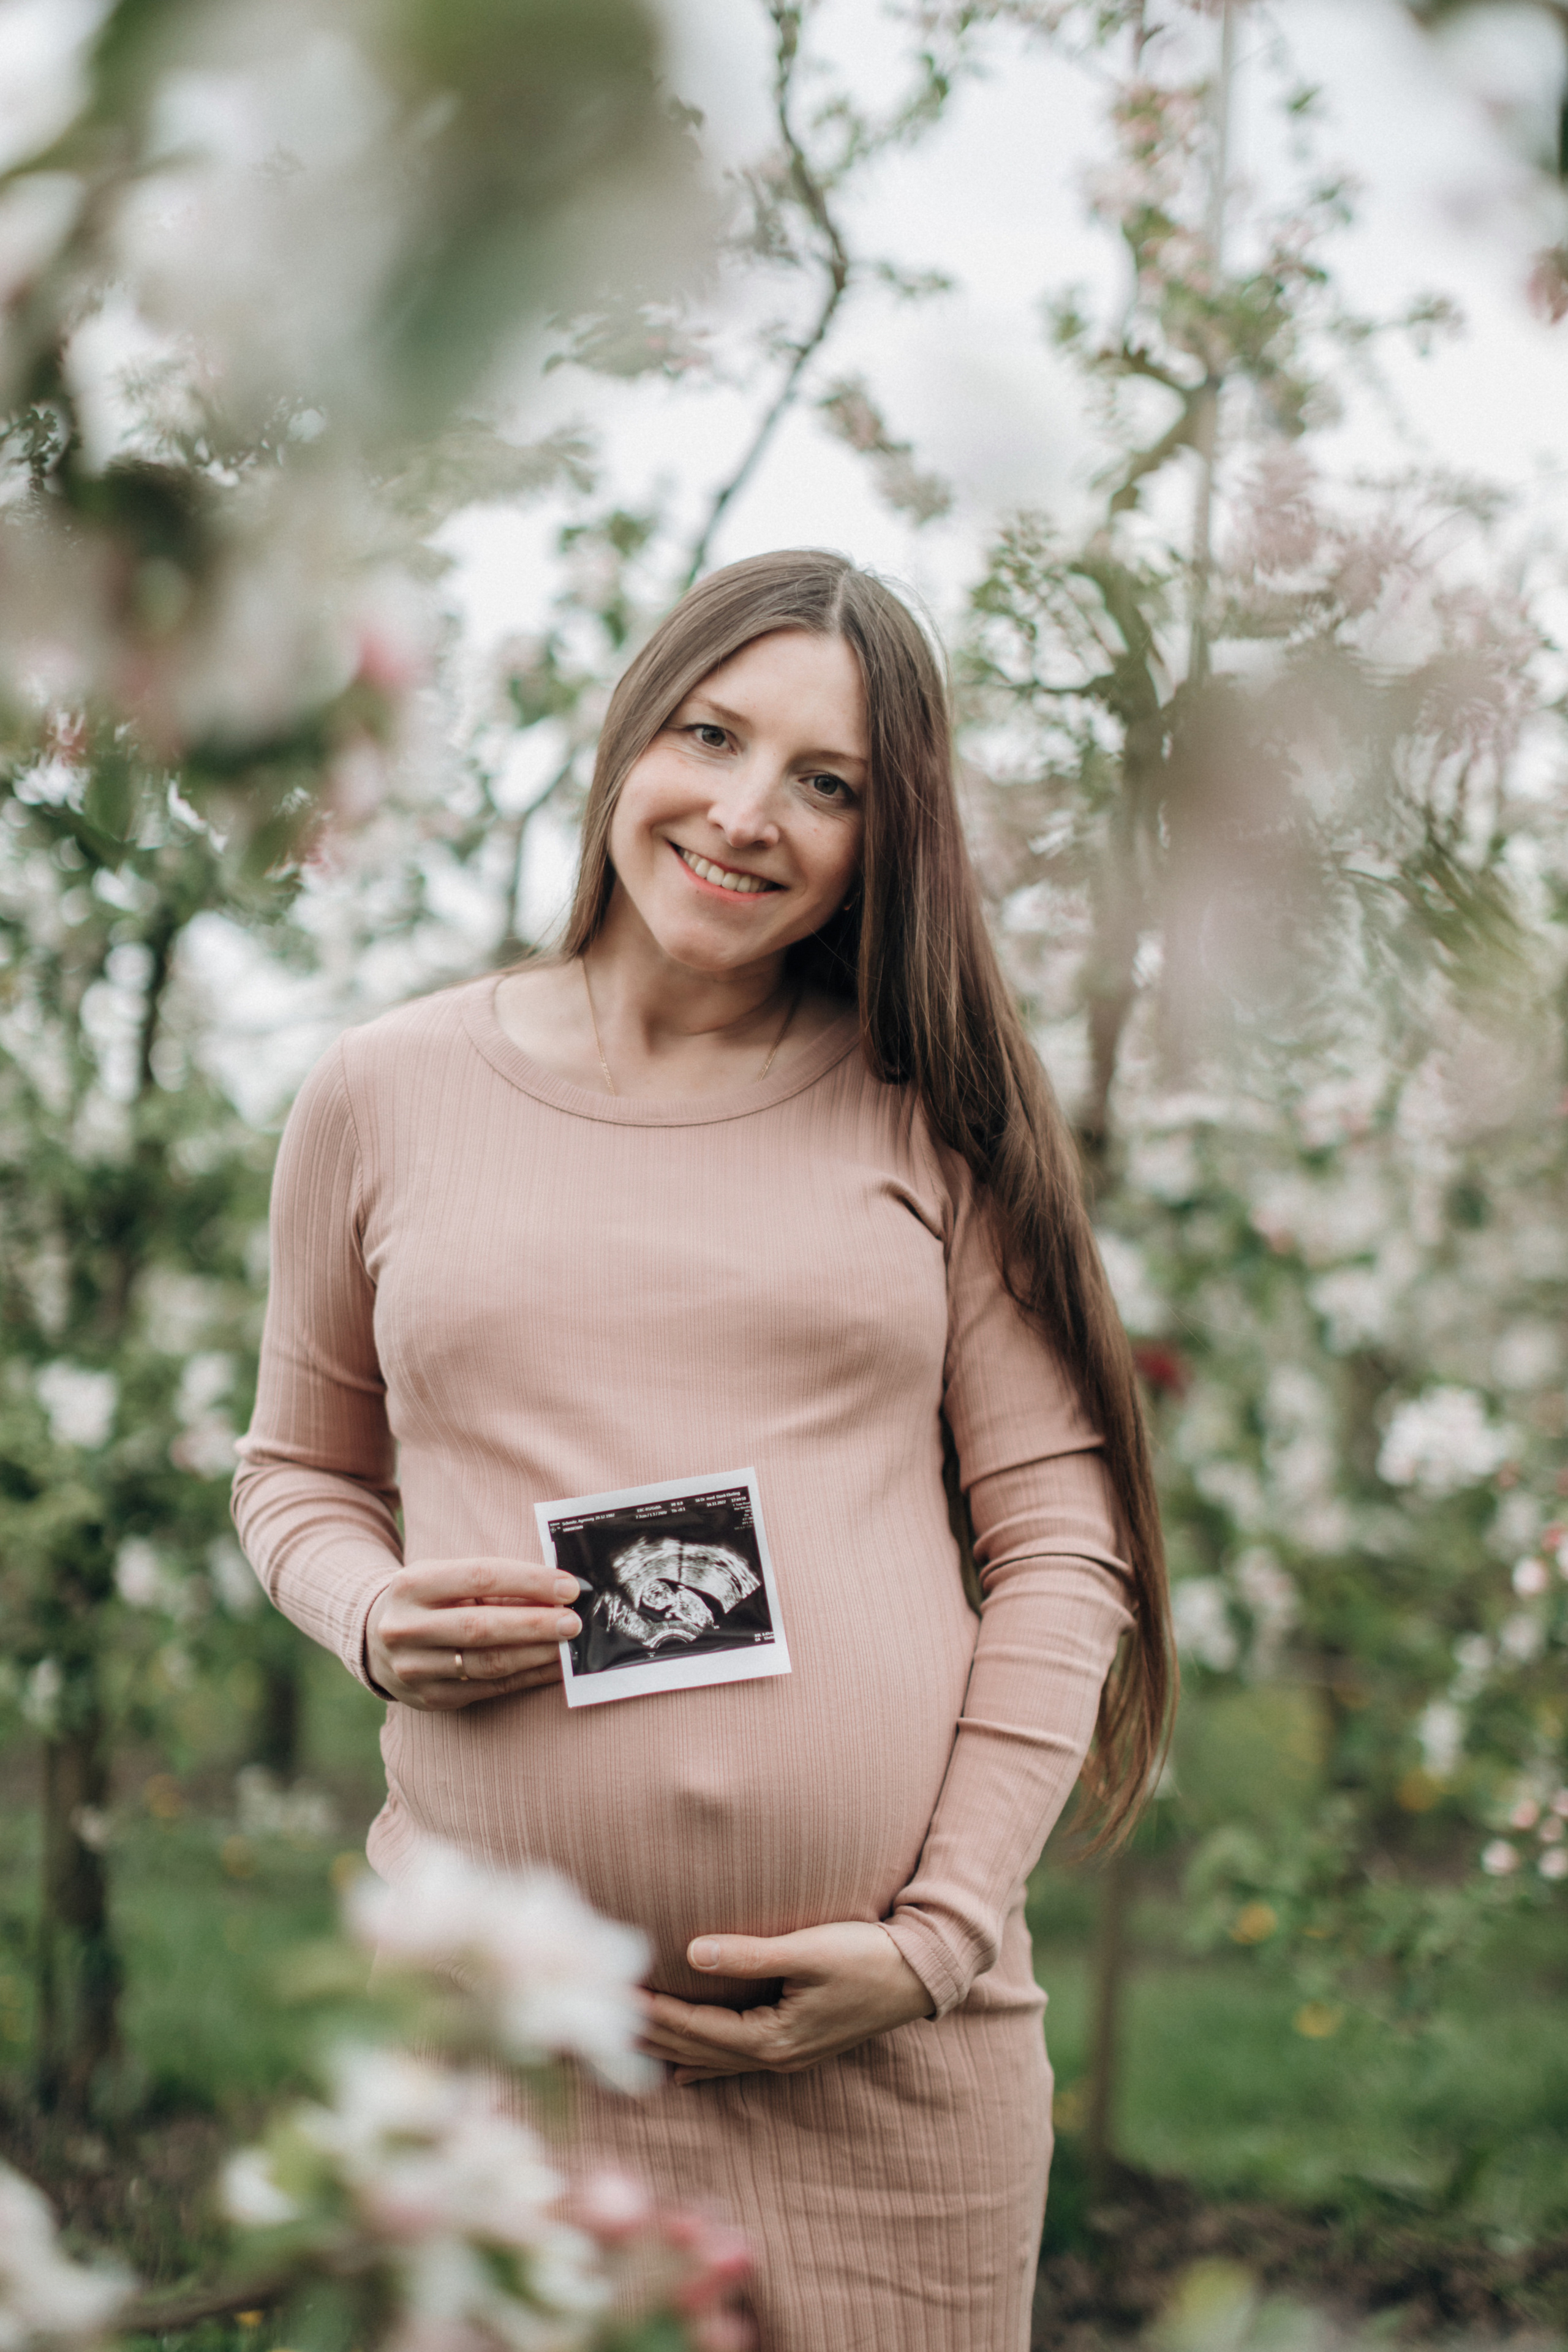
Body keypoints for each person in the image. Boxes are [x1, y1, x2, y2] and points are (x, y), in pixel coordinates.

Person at [233, 548, 1174, 2352]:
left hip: (889, 2082)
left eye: (829, 785)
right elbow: (296, 1474)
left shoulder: (929, 1110)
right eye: (713, 735)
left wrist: (935, 1942)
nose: (750, 816)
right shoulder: (384, 1090)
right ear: (627, 739)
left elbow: (1066, 1544)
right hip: (498, 2060)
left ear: (885, 843)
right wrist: (369, 1612)